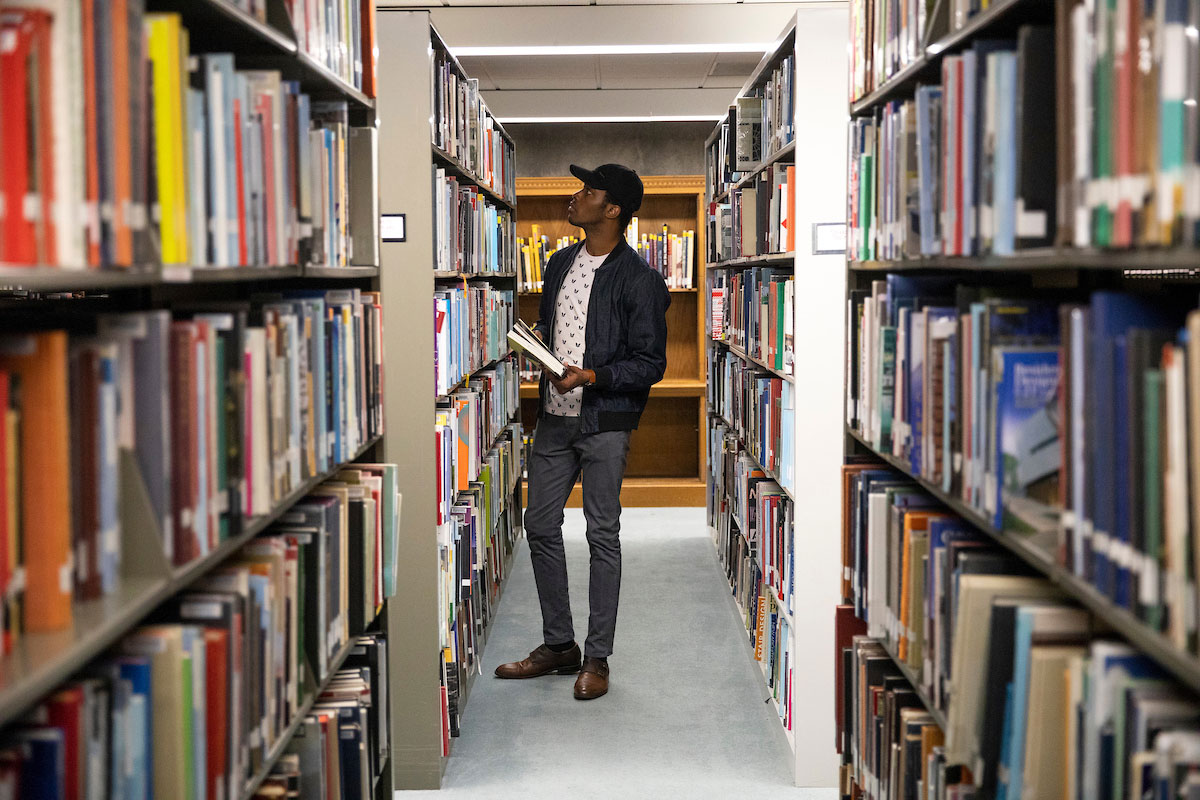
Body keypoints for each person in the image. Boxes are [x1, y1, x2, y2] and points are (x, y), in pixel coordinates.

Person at [494, 163, 670, 700]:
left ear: (613, 210)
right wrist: (538, 347)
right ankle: (558, 644)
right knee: (539, 524)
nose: (575, 197)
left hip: (604, 424)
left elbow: (650, 363)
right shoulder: (558, 263)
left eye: (588, 191)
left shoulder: (641, 280)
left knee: (601, 534)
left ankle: (597, 656)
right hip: (553, 417)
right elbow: (558, 327)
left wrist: (592, 375)